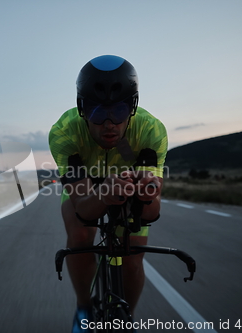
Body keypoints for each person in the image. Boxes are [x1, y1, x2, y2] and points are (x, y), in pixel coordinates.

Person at [48, 55, 168, 333]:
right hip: (87, 188)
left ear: (133, 107)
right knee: (79, 235)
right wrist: (102, 195)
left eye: (120, 110)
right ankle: (83, 308)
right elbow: (82, 208)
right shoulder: (64, 131)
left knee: (133, 256)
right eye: (97, 112)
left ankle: (126, 318)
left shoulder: (151, 130)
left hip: (126, 186)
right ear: (81, 109)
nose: (109, 123)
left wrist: (146, 194)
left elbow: (152, 213)